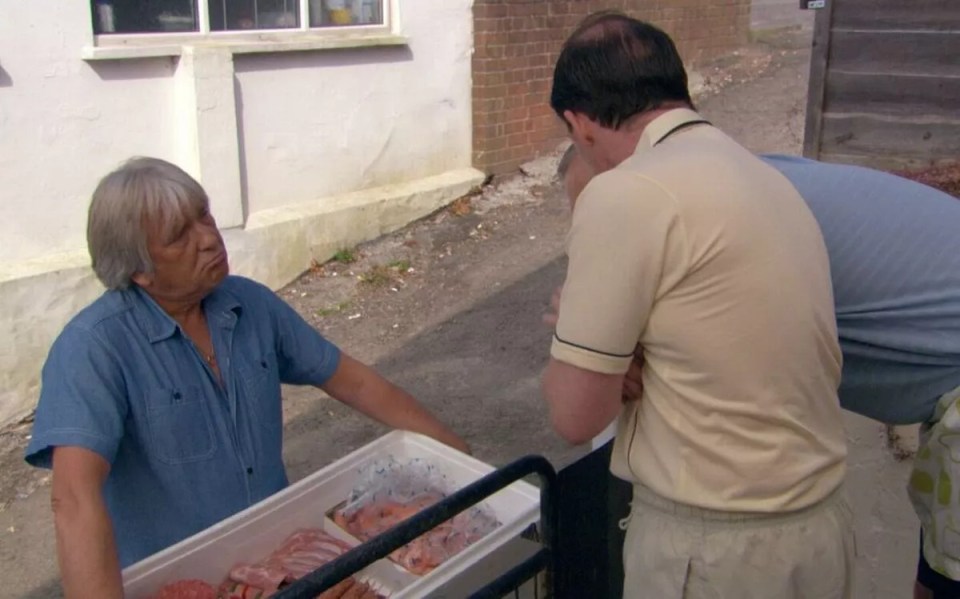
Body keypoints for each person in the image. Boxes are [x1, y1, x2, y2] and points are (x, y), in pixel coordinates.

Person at [23, 157, 469, 598]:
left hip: (275, 562)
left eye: (204, 215)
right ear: (139, 269)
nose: (208, 239)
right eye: (180, 236)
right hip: (174, 584)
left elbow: (353, 381)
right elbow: (74, 499)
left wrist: (464, 462)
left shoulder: (248, 304)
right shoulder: (92, 348)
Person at [542, 11, 854, 598]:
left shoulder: (627, 192)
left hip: (717, 551)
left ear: (579, 124)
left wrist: (589, 350)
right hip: (816, 530)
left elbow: (575, 416)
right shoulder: (763, 177)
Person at [559, 146, 960, 599]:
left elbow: (610, 384)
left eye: (598, 214)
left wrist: (605, 338)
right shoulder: (742, 182)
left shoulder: (717, 229)